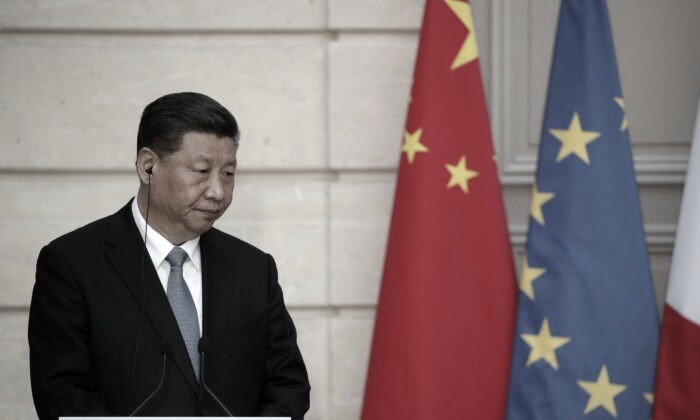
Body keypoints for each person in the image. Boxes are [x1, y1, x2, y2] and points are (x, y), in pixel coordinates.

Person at [28, 92, 310, 418]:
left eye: (228, 173)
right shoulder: (72, 264)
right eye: (202, 171)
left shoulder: (253, 268)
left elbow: (287, 386)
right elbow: (64, 397)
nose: (218, 191)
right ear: (148, 166)